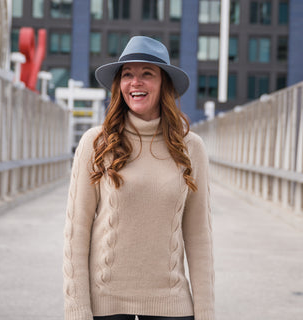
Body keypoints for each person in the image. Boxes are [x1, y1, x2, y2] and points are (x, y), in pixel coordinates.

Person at [63, 36, 215, 320]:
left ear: (164, 84)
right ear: (119, 85)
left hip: (171, 304)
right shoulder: (96, 143)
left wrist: (206, 313)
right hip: (105, 306)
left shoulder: (190, 147)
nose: (136, 82)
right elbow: (76, 233)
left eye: (147, 74)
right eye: (128, 74)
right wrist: (77, 310)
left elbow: (199, 237)